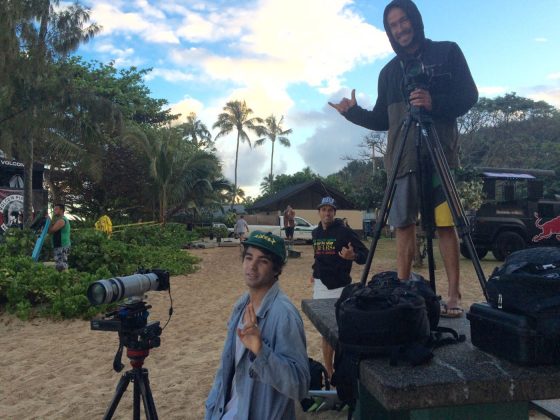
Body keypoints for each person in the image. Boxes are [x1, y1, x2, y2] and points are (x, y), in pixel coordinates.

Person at [329, 0, 478, 318]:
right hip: (402, 157)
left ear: (415, 20)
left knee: (446, 224)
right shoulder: (388, 72)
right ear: (389, 31)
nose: (400, 29)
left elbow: (469, 96)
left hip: (441, 156)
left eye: (404, 21)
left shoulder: (447, 52)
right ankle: (403, 289)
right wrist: (352, 113)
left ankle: (453, 294)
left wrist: (433, 102)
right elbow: (383, 119)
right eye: (393, 25)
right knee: (403, 225)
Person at [206, 231, 310, 419]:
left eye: (263, 261)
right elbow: (225, 372)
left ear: (276, 269)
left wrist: (261, 351)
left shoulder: (284, 315)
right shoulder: (242, 305)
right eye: (248, 257)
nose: (252, 266)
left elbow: (300, 386)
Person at [311, 196, 368, 379]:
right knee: (325, 330)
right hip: (320, 285)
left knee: (340, 331)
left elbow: (366, 255)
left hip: (340, 287)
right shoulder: (316, 233)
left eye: (330, 210)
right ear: (319, 212)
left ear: (334, 213)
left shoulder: (344, 232)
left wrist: (353, 256)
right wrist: (314, 272)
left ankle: (342, 371)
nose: (327, 213)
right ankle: (329, 372)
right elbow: (318, 257)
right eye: (324, 209)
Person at [47, 203, 71, 271]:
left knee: (61, 265)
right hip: (59, 245)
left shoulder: (62, 220)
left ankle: (65, 279)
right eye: (54, 209)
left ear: (61, 210)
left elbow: (51, 230)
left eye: (56, 209)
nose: (54, 211)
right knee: (60, 264)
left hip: (62, 245)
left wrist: (48, 221)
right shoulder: (59, 220)